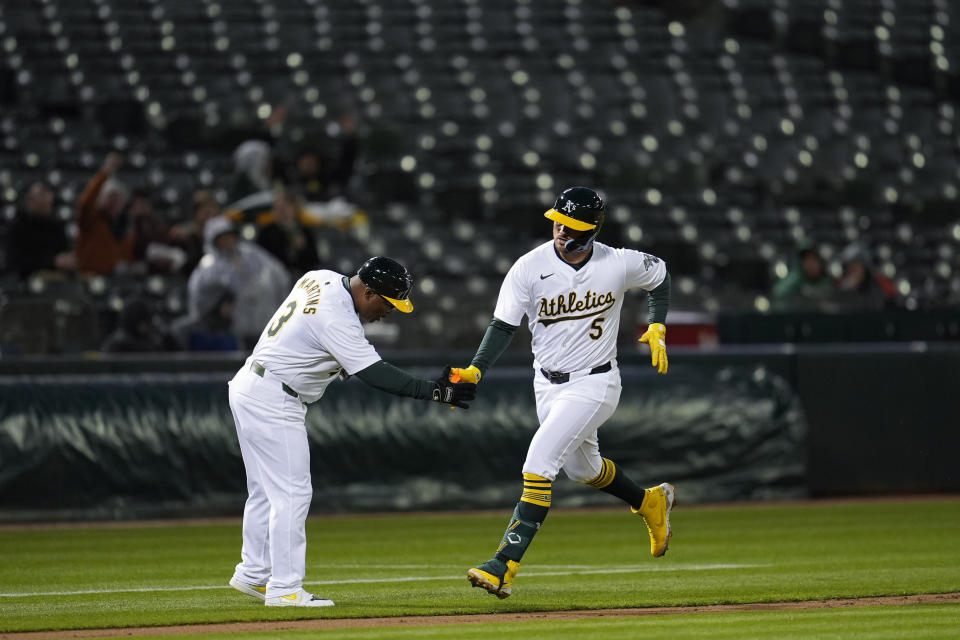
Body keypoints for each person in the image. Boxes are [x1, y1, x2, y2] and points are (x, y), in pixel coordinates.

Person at [447, 186, 676, 599]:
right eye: (556, 218)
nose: (557, 227)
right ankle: (648, 501)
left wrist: (658, 324)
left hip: (596, 381)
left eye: (568, 223)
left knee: (539, 462)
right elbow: (503, 326)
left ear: (589, 230)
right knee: (583, 470)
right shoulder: (528, 267)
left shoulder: (618, 263)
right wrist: (477, 369)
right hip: (546, 383)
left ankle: (503, 565)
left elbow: (659, 276)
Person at [226, 256, 477, 607]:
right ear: (370, 292)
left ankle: (253, 574)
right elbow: (376, 374)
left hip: (250, 384)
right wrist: (436, 391)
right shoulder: (337, 318)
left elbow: (318, 344)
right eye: (388, 304)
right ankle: (284, 588)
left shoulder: (321, 277)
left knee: (265, 492)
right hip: (274, 398)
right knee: (293, 494)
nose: (389, 312)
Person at [186, 215, 291, 348]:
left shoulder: (253, 254)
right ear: (214, 240)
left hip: (268, 325)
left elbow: (279, 275)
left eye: (229, 235)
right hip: (232, 334)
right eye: (222, 237)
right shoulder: (208, 267)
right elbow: (197, 301)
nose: (227, 240)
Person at [75, 152, 135, 275]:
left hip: (115, 280)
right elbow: (86, 203)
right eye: (109, 198)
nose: (113, 203)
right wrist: (106, 172)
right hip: (89, 276)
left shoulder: (126, 225)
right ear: (100, 200)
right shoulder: (91, 219)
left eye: (117, 199)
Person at [6, 182, 74, 278]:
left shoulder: (56, 227)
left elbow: (63, 251)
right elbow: (15, 261)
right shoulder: (18, 227)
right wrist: (53, 261)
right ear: (29, 201)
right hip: (25, 282)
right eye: (41, 197)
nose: (47, 201)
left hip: (55, 281)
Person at [256, 190, 320, 277]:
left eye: (284, 209)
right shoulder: (267, 232)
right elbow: (260, 257)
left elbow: (314, 260)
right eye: (277, 209)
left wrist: (302, 248)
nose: (280, 213)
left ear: (294, 209)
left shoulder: (305, 230)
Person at [169, 283, 239, 351]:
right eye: (226, 305)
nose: (229, 309)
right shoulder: (186, 329)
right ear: (214, 305)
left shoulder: (231, 331)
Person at [771, 243, 834, 310]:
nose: (809, 263)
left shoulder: (828, 280)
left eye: (813, 259)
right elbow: (777, 292)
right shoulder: (796, 277)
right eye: (805, 259)